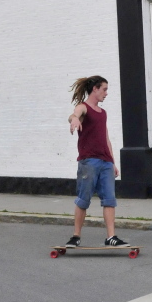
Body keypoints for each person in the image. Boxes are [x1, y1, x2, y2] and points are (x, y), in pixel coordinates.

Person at [65, 76, 128, 248]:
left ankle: (111, 237)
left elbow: (106, 138)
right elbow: (74, 115)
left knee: (109, 200)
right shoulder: (83, 107)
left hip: (105, 162)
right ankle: (75, 236)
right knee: (83, 199)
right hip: (89, 162)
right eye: (104, 89)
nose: (106, 93)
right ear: (95, 89)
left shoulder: (103, 113)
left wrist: (113, 162)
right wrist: (74, 120)